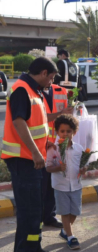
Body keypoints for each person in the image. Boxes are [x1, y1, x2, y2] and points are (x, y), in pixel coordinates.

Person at [1, 57, 58, 252]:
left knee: (35, 210)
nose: (51, 82)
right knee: (28, 211)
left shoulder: (34, 90)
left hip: (30, 159)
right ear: (43, 73)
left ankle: (34, 247)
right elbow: (19, 122)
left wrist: (45, 143)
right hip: (23, 160)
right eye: (51, 78)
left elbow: (35, 125)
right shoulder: (22, 89)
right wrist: (35, 152)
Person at [45, 114, 86, 250]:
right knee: (65, 213)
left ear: (74, 132)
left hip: (76, 185)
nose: (65, 134)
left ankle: (65, 231)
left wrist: (84, 169)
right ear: (57, 132)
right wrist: (58, 167)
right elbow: (48, 167)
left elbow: (82, 164)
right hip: (60, 186)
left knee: (74, 212)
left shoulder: (79, 148)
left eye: (69, 131)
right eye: (62, 131)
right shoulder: (53, 149)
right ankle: (70, 237)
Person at [42, 81, 69, 229]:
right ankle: (38, 217)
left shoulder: (61, 91)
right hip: (41, 146)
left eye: (53, 76)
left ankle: (49, 216)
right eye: (49, 76)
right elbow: (37, 120)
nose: (51, 80)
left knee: (53, 183)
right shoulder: (32, 92)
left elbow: (64, 120)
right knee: (42, 184)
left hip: (58, 145)